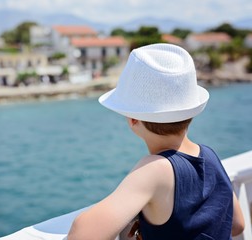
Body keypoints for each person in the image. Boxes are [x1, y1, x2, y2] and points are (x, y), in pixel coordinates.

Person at [67, 43, 245, 239]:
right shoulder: (210, 155)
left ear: (133, 119)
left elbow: (83, 232)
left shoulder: (155, 169)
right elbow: (237, 225)